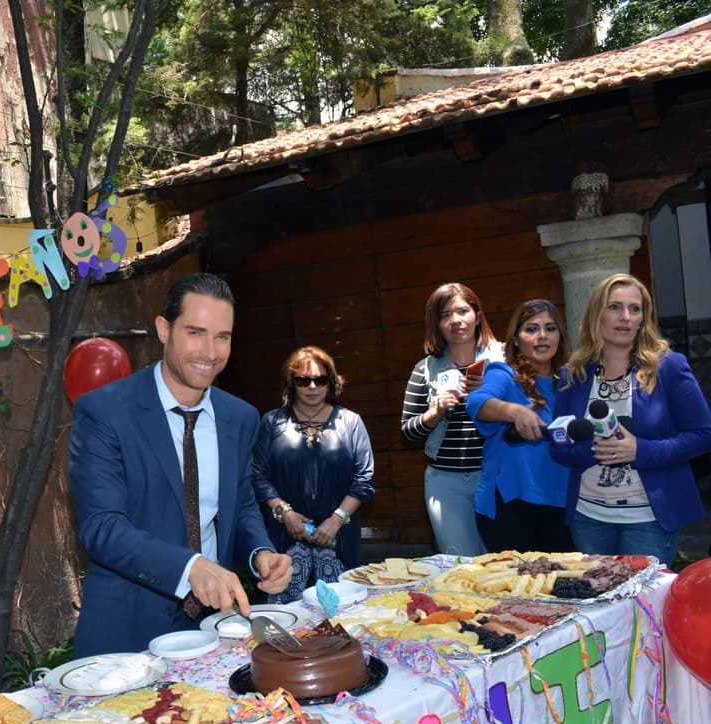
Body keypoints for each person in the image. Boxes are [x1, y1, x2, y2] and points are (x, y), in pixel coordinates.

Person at [69, 273, 294, 657]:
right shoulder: (105, 411)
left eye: (222, 337)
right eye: (195, 332)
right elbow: (102, 527)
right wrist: (189, 567)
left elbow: (239, 506)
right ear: (163, 329)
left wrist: (261, 554)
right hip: (127, 634)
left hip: (216, 628)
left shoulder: (239, 418)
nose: (210, 351)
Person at [550, 274, 711, 567]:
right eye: (614, 307)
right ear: (596, 314)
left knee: (641, 609)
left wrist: (641, 450)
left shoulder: (668, 367)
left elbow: (703, 433)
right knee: (602, 607)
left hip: (649, 520)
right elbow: (558, 446)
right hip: (588, 518)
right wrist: (594, 450)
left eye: (634, 309)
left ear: (643, 318)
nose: (625, 317)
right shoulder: (573, 374)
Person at [251, 347, 374, 601]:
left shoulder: (350, 422)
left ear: (331, 382)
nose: (312, 386)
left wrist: (336, 520)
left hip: (339, 539)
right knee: (287, 621)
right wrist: (285, 514)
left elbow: (364, 480)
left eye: (320, 379)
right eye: (303, 380)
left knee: (343, 617)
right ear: (291, 383)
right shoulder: (272, 423)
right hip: (285, 538)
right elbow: (259, 476)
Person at [400, 282, 503, 557]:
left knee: (503, 563)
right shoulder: (425, 369)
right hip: (445, 484)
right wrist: (434, 414)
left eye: (462, 311)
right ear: (436, 324)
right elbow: (407, 432)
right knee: (461, 565)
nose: (455, 320)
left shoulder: (504, 359)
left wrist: (490, 395)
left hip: (496, 478)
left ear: (477, 316)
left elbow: (527, 411)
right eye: (445, 315)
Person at [466, 299, 575, 552]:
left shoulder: (572, 383)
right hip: (509, 507)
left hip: (562, 506)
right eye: (531, 329)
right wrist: (514, 411)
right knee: (518, 590)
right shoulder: (503, 375)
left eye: (550, 328)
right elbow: (476, 402)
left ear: (560, 336)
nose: (542, 336)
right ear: (515, 339)